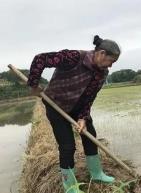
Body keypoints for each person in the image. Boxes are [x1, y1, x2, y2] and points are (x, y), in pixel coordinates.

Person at [27, 35, 121, 193]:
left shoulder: (102, 73)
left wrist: (83, 118)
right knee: (67, 146)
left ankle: (97, 173)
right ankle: (70, 186)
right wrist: (33, 84)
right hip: (56, 104)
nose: (110, 66)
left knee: (90, 136)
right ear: (102, 53)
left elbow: (90, 97)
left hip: (78, 107)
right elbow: (40, 59)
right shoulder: (74, 57)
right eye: (111, 61)